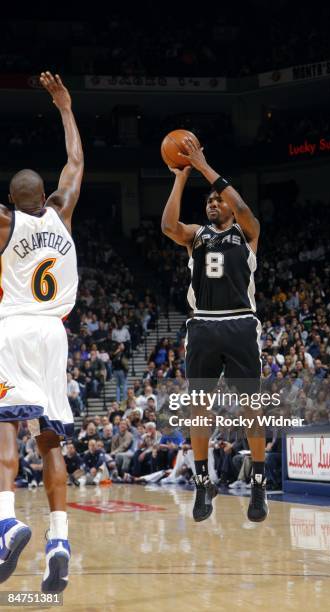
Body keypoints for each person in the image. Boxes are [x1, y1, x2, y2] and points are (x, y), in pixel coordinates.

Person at [0, 72, 83, 593]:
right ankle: (60, 539)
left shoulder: (6, 225)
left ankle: (6, 523)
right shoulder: (63, 213)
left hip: (12, 331)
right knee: (51, 440)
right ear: (45, 196)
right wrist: (65, 108)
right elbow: (74, 163)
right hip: (55, 336)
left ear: (11, 200)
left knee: (3, 429)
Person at [161, 135, 268, 522]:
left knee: (251, 409)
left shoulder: (247, 232)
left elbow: (242, 206)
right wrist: (181, 176)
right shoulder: (197, 236)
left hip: (240, 322)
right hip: (203, 323)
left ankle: (258, 482)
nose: (212, 202)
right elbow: (168, 225)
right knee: (199, 410)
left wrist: (205, 167)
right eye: (208, 200)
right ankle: (204, 482)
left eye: (216, 199)